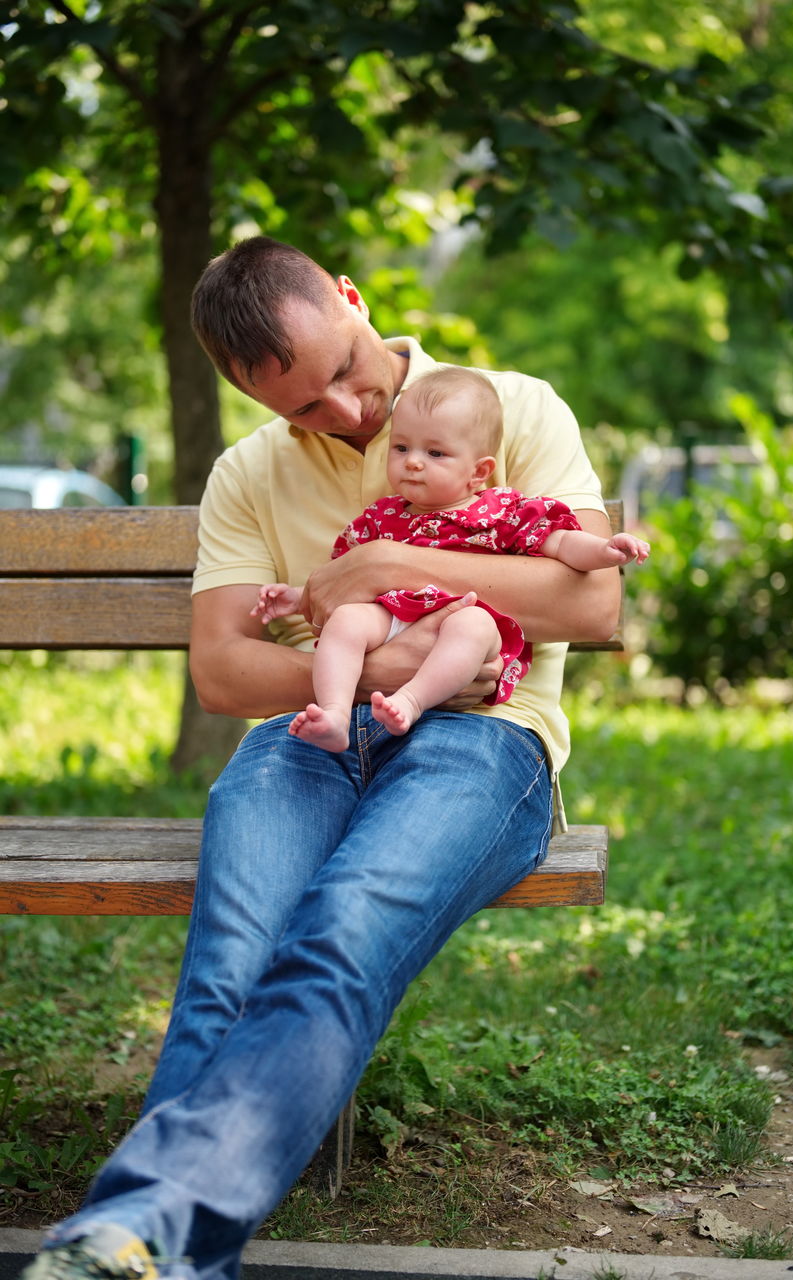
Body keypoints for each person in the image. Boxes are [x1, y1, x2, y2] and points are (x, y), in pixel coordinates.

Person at [21, 237, 622, 1280]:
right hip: (314, 735)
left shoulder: (507, 407)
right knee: (230, 964)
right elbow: (222, 669)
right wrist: (383, 654)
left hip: (487, 740)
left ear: (353, 299)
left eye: (345, 371)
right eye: (305, 406)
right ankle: (140, 1252)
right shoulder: (247, 473)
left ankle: (134, 1230)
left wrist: (388, 562)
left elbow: (593, 602)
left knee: (343, 930)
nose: (345, 413)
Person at [251, 365, 649, 750]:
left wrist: (604, 550)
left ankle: (410, 701)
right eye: (402, 447)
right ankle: (335, 715)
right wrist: (295, 597)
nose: (413, 461)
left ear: (479, 472)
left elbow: (559, 543)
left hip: (463, 617)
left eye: (436, 453)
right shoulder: (381, 517)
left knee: (473, 625)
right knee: (346, 619)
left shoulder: (501, 511)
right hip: (395, 617)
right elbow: (340, 580)